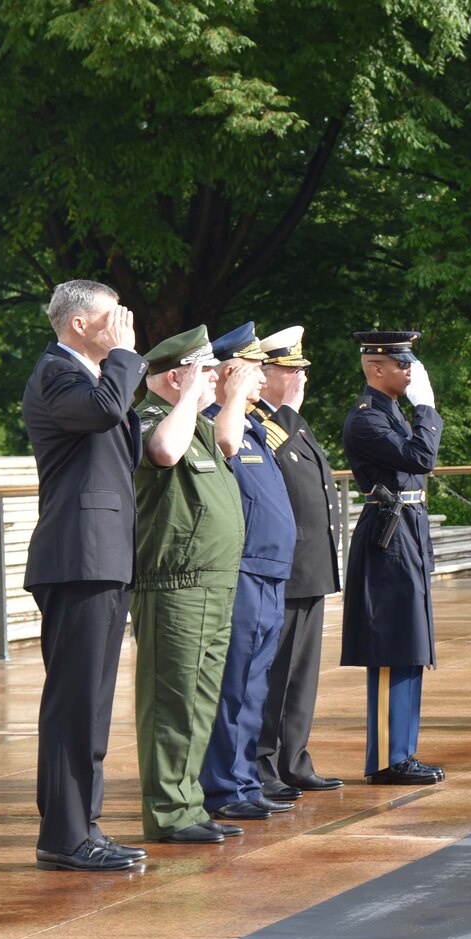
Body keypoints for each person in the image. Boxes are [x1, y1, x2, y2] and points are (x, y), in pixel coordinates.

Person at [22, 280, 149, 871]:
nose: (123, 323)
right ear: (78, 325)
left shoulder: (93, 376)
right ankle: (66, 837)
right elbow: (103, 414)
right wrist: (125, 357)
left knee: (92, 703)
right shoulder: (58, 372)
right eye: (111, 317)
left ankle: (81, 827)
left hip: (103, 555)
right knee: (74, 702)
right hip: (78, 556)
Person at [130, 326, 246, 844]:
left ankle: (189, 802)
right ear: (177, 375)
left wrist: (212, 397)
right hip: (174, 583)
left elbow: (228, 439)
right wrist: (187, 395)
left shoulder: (195, 425)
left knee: (200, 698)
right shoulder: (151, 418)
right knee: (171, 699)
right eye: (206, 374)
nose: (214, 384)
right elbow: (161, 453)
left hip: (210, 580)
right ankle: (168, 811)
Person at [198, 323, 298, 822]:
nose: (262, 381)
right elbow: (225, 445)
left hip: (269, 569)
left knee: (254, 684)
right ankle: (222, 787)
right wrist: (233, 393)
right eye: (254, 371)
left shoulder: (254, 424)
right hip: (244, 571)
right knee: (233, 683)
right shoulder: (223, 421)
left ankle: (242, 778)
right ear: (229, 372)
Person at [340, 329, 445, 784]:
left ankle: (402, 751)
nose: (410, 371)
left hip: (408, 530)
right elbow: (421, 458)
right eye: (402, 364)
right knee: (391, 647)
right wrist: (427, 409)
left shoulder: (392, 414)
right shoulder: (367, 420)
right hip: (388, 535)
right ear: (375, 368)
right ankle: (385, 759)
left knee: (411, 645)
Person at [253, 325, 344, 796]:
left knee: (301, 673)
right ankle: (264, 764)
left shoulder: (291, 422)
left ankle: (294, 758)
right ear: (263, 374)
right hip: (281, 568)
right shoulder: (261, 425)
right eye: (289, 371)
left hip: (309, 565)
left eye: (299, 371)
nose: (299, 380)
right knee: (273, 673)